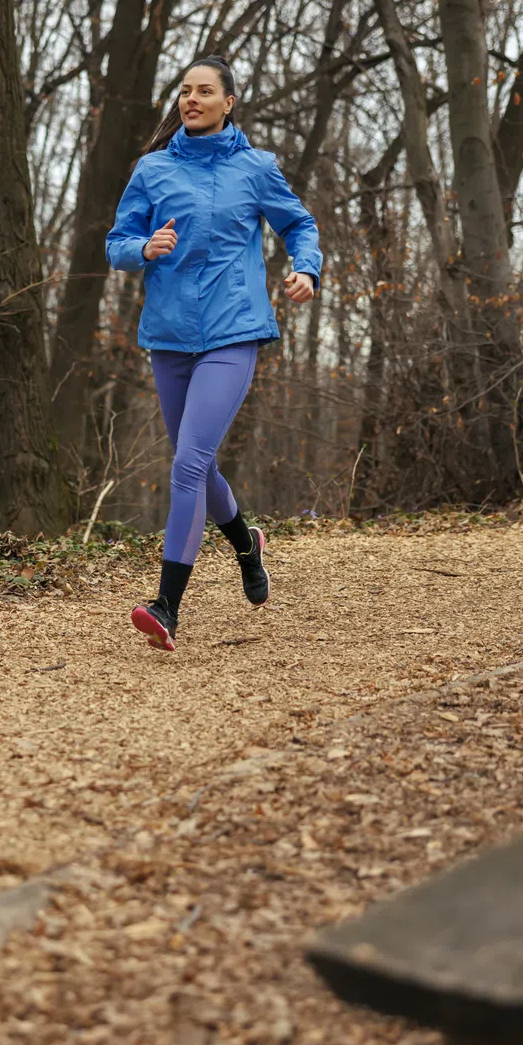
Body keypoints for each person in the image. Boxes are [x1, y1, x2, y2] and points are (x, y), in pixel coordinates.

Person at [105, 56, 321, 651]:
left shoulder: (256, 170)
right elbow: (116, 244)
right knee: (197, 465)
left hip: (233, 331)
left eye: (205, 91)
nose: (191, 99)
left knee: (189, 464)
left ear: (229, 102)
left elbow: (299, 226)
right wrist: (144, 247)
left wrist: (306, 268)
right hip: (169, 336)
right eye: (184, 91)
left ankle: (166, 605)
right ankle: (246, 544)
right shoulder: (152, 170)